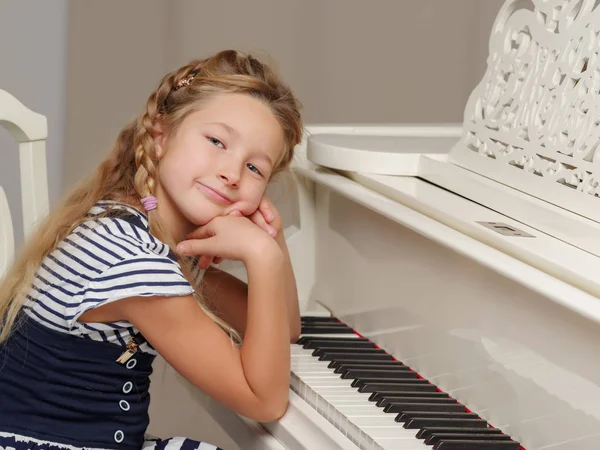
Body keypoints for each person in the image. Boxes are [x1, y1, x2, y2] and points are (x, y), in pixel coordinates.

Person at [0, 49, 303, 450]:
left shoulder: (142, 231)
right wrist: (264, 258)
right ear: (161, 136)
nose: (232, 173)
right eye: (217, 141)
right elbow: (265, 400)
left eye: (255, 168)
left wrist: (268, 240)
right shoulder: (134, 262)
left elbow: (283, 329)